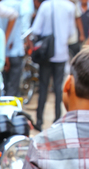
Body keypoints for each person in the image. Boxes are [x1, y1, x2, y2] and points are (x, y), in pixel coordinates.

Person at [31, 0, 75, 131]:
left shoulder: (46, 6)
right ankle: (57, 120)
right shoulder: (70, 7)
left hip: (46, 54)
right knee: (58, 88)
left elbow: (36, 29)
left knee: (43, 87)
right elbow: (71, 33)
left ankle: (39, 121)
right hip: (61, 53)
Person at [0, 0, 33, 96]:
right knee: (12, 89)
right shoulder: (17, 5)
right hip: (14, 52)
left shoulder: (1, 5)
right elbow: (16, 30)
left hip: (4, 52)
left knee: (6, 87)